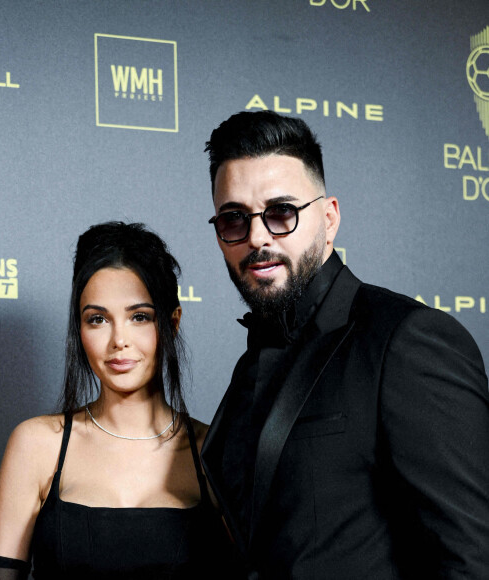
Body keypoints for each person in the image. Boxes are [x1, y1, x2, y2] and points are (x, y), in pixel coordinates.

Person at [200, 110, 489, 579]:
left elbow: (473, 558)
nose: (257, 237)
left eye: (281, 213)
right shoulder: (248, 367)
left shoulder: (406, 341)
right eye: (234, 220)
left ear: (329, 218)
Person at [0, 221, 238, 579]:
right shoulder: (37, 446)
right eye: (98, 319)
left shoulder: (214, 450)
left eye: (139, 317)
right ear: (80, 328)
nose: (119, 339)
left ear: (172, 323)